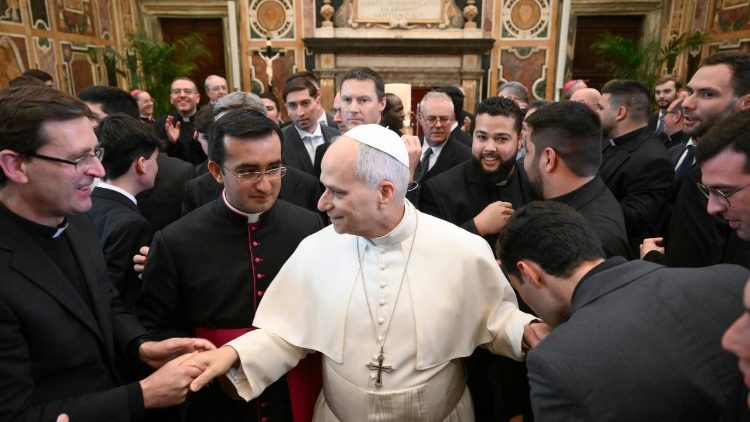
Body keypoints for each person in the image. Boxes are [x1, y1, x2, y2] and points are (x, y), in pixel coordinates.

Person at [182, 124, 540, 420]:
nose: (322, 203)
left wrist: (526, 332)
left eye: (336, 192)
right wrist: (232, 354)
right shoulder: (317, 249)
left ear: (384, 192)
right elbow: (286, 334)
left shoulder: (461, 249)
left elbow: (495, 319)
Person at [0, 85, 213, 421]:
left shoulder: (77, 219)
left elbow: (104, 300)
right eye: (77, 159)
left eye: (95, 153)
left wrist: (141, 346)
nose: (98, 171)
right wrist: (143, 395)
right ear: (15, 165)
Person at [138, 108, 324, 422]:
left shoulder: (308, 226)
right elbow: (154, 325)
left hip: (292, 384)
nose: (265, 185)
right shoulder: (176, 240)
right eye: (248, 172)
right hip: (214, 394)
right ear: (216, 171)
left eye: (274, 168)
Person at [497, 201, 748, 421]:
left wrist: (558, 352)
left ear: (530, 274)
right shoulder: (734, 280)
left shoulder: (554, 363)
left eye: (517, 287)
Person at [641, 51, 750, 267]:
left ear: (746, 103)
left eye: (707, 94)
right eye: (690, 91)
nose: (687, 103)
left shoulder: (708, 176)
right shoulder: (687, 155)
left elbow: (694, 269)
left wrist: (652, 258)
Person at [420, 96, 534, 251]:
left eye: (501, 139)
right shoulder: (439, 190)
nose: (490, 147)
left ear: (520, 140)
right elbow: (430, 251)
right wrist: (476, 226)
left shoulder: (535, 184)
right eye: (482, 137)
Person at [524, 101, 630, 258]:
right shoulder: (588, 195)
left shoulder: (588, 244)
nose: (523, 161)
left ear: (549, 159)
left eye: (527, 151)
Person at [89, 114, 158, 310]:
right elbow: (121, 297)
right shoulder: (132, 225)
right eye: (156, 159)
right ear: (141, 164)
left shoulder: (87, 204)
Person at [598, 79, 673, 255]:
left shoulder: (653, 160)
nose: (595, 113)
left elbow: (635, 219)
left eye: (600, 108)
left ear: (620, 113)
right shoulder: (607, 142)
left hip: (619, 254)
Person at [281, 77, 340, 177]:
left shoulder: (337, 135)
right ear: (286, 108)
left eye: (305, 103)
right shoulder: (280, 141)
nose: (300, 113)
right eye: (292, 106)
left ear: (317, 101)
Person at [414, 91, 471, 185]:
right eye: (431, 119)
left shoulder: (466, 157)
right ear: (420, 118)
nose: (438, 125)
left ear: (452, 119)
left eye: (444, 119)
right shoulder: (408, 150)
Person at [155, 77, 205, 165]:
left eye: (187, 91)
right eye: (177, 92)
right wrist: (173, 143)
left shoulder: (209, 120)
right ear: (171, 98)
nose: (182, 95)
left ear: (197, 98)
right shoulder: (161, 124)